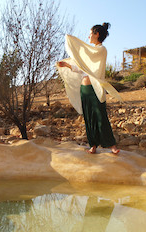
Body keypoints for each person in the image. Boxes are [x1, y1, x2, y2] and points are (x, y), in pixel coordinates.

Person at [57, 23, 121, 155]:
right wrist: (67, 65)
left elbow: (88, 57)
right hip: (84, 89)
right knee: (89, 117)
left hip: (95, 89)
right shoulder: (89, 53)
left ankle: (111, 145)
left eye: (90, 33)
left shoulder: (101, 50)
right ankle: (93, 145)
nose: (88, 36)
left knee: (100, 115)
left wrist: (73, 41)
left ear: (97, 34)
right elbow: (81, 69)